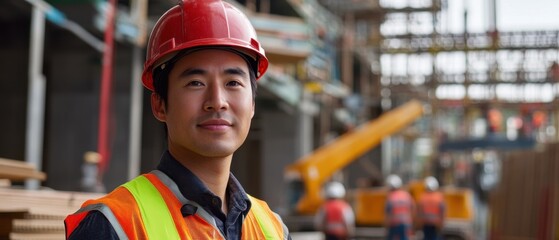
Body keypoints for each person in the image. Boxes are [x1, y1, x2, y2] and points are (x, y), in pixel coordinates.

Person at [64, 0, 291, 239]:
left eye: (233, 83)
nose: (217, 101)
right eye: (196, 83)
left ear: (252, 104)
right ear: (160, 105)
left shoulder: (273, 229)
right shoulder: (114, 225)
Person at [384, 174, 414, 240]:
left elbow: (388, 214)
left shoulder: (391, 197)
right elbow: (413, 209)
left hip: (394, 225)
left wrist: (386, 227)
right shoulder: (406, 195)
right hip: (406, 224)